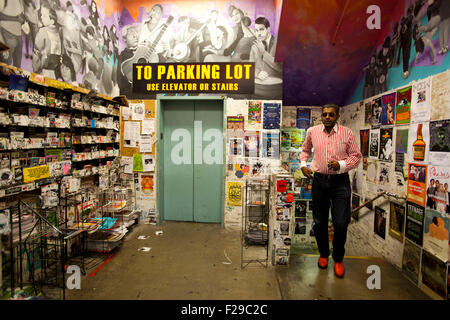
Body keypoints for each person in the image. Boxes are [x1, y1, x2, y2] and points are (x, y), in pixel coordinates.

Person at [300, 104, 362, 278]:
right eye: (325, 114)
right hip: (319, 181)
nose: (327, 117)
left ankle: (338, 258)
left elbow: (356, 156)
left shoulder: (346, 133)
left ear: (337, 116)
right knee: (319, 221)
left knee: (341, 222)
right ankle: (323, 255)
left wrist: (341, 165)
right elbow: (305, 150)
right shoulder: (312, 131)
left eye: (331, 114)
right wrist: (304, 165)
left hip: (340, 182)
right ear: (322, 116)